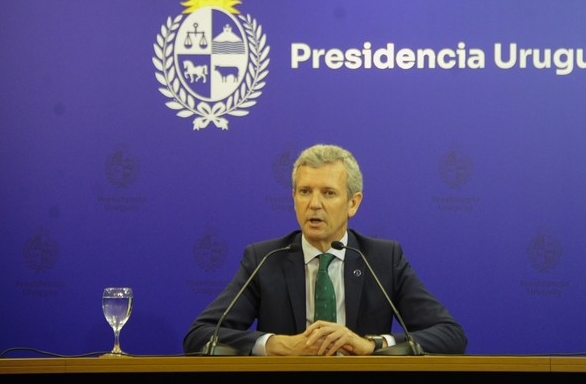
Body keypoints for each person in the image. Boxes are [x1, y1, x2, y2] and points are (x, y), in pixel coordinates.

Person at [183, 144, 466, 355]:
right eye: (305, 192)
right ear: (293, 198)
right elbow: (200, 336)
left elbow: (450, 336)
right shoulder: (265, 259)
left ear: (353, 203)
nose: (314, 204)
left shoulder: (382, 259)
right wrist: (276, 344)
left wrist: (372, 344)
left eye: (328, 193)